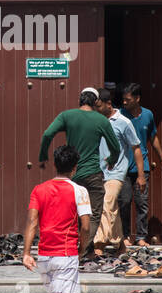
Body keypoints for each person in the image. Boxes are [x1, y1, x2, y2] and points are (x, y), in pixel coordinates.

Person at [21, 144, 90, 293]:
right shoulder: (79, 190)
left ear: (55, 164)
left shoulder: (39, 189)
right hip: (66, 255)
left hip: (44, 257)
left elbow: (32, 222)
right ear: (75, 167)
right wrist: (82, 248)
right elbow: (87, 226)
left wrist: (26, 253)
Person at [37, 88, 120, 239]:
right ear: (96, 102)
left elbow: (48, 134)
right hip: (93, 174)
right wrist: (111, 161)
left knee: (73, 214)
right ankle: (84, 251)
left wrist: (43, 156)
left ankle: (75, 248)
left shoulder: (67, 116)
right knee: (93, 215)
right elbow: (115, 147)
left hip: (72, 175)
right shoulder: (101, 120)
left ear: (80, 100)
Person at [93, 89, 144, 257]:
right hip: (98, 172)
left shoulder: (123, 122)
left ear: (108, 104)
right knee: (108, 207)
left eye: (99, 106)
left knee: (107, 203)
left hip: (116, 172)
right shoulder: (96, 121)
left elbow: (136, 147)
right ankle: (120, 243)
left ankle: (99, 243)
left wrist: (141, 175)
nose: (96, 110)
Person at [120, 83, 162, 245]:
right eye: (123, 100)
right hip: (124, 167)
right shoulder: (120, 115)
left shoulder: (148, 115)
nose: (124, 103)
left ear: (137, 99)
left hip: (142, 167)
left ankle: (141, 237)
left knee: (142, 202)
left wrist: (161, 158)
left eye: (128, 99)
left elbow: (153, 137)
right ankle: (125, 236)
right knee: (124, 202)